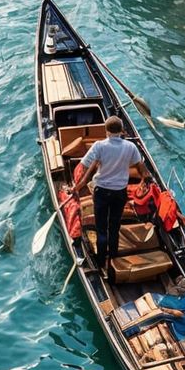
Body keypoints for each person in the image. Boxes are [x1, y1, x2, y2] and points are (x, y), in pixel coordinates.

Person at [71, 116, 142, 280]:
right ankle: (115, 259)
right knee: (115, 226)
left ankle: (101, 262)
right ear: (122, 131)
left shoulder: (99, 146)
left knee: (101, 229)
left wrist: (76, 187)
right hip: (120, 193)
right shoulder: (130, 147)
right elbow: (140, 167)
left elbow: (84, 166)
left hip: (102, 192)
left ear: (106, 131)